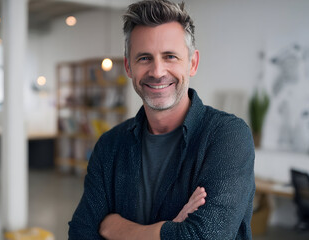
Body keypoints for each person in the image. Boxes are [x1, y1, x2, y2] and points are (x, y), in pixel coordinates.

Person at [68, 0, 255, 239]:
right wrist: (172, 229)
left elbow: (205, 236)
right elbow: (81, 232)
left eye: (170, 56)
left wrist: (114, 227)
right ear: (128, 67)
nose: (157, 72)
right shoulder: (109, 146)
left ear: (193, 63)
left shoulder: (228, 137)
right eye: (144, 58)